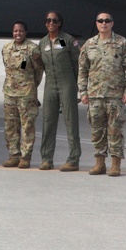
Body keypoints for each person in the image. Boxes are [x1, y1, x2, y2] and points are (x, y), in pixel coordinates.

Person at [78, 12, 126, 177]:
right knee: (97, 131)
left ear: (112, 23)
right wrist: (83, 92)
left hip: (115, 96)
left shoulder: (122, 43)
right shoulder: (89, 45)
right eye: (100, 21)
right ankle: (99, 163)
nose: (104, 23)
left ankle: (116, 164)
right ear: (96, 23)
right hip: (95, 95)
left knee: (115, 131)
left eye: (107, 21)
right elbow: (82, 71)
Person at [38, 11, 82, 171]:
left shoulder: (67, 40)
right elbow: (38, 66)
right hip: (50, 84)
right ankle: (46, 159)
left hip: (67, 83)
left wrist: (78, 86)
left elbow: (78, 64)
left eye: (54, 20)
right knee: (48, 121)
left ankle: (73, 159)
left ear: (59, 23)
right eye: (48, 20)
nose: (51, 23)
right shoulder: (42, 43)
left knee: (71, 121)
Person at [1, 21, 44, 168]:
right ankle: (14, 155)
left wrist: (32, 86)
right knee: (11, 126)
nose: (17, 34)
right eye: (15, 31)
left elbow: (39, 71)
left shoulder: (33, 49)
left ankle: (25, 157)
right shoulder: (6, 48)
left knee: (27, 126)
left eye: (20, 31)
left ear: (25, 32)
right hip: (9, 93)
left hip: (26, 94)